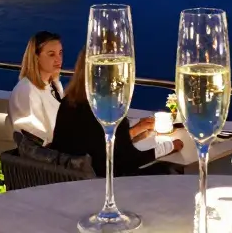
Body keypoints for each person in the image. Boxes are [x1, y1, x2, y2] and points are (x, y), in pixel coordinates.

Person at [49, 49, 182, 177]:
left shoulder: (68, 103)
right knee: (169, 170)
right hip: (102, 184)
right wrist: (170, 146)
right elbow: (129, 161)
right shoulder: (110, 107)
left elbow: (95, 143)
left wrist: (135, 130)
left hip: (68, 180)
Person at [7, 30, 65, 143]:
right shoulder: (27, 91)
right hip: (46, 157)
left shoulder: (54, 85)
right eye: (51, 54)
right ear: (36, 57)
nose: (59, 59)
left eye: (60, 53)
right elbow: (34, 140)